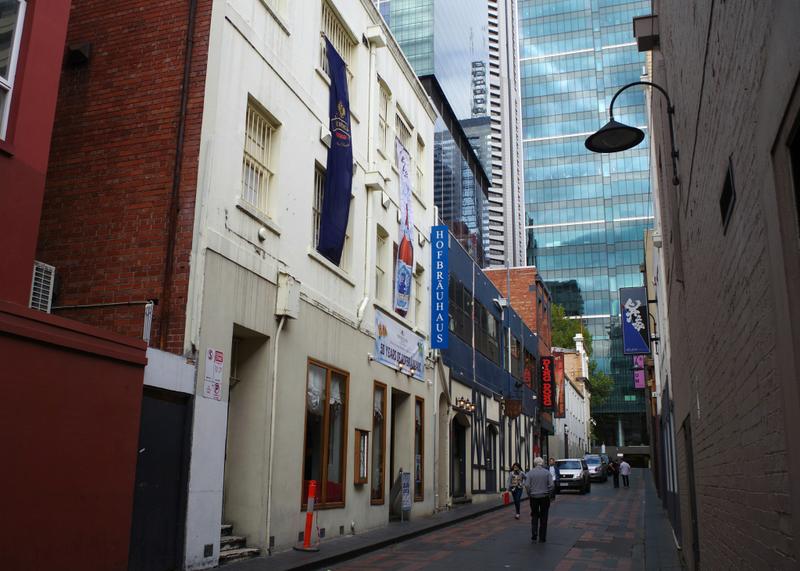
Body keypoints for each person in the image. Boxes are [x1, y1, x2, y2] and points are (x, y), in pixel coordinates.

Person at [525, 457, 554, 543]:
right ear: (542, 463)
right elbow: (551, 485)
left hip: (534, 497)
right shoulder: (547, 473)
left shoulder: (530, 473)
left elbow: (527, 485)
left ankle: (534, 533)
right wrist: (548, 493)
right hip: (544, 497)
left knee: (534, 515)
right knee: (544, 516)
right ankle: (542, 537)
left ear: (534, 463)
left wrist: (529, 493)